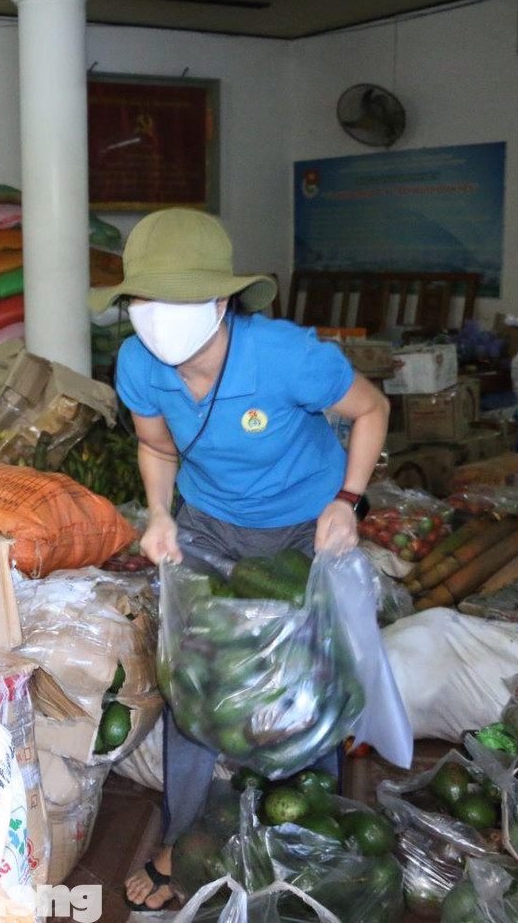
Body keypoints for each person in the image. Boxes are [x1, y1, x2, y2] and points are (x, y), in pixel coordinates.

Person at [108, 209, 390, 910]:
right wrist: (160, 514)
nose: (156, 316)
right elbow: (157, 446)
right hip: (209, 524)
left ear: (224, 301)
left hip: (304, 528)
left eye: (177, 299)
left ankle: (306, 833)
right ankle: (184, 836)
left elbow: (372, 409)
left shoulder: (289, 356)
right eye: (144, 298)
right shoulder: (138, 364)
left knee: (307, 684)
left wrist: (347, 501)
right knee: (194, 678)